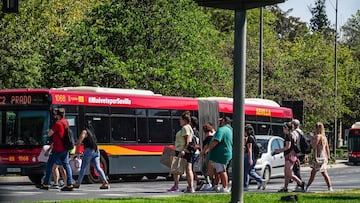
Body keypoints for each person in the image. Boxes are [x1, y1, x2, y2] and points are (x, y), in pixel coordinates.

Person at [40, 108, 74, 191]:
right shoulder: (66, 122)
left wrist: (48, 131)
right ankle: (69, 184)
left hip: (57, 149)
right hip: (65, 148)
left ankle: (46, 184)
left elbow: (49, 134)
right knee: (66, 165)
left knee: (49, 165)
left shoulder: (57, 124)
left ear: (57, 115)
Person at [201, 116, 233, 193]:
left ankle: (225, 187)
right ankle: (217, 186)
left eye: (221, 121)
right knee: (216, 171)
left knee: (221, 171)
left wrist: (208, 149)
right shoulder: (229, 130)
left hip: (221, 155)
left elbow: (216, 141)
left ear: (224, 121)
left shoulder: (221, 130)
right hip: (220, 154)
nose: (219, 122)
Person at [74, 123, 109, 189]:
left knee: (83, 167)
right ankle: (105, 182)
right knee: (98, 167)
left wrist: (77, 151)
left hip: (89, 150)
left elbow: (79, 142)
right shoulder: (91, 132)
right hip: (96, 150)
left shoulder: (84, 131)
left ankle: (78, 183)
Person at [168, 111, 195, 193]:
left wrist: (183, 150)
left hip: (181, 150)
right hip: (187, 151)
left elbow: (187, 140)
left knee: (176, 169)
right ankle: (190, 187)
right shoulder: (189, 127)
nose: (179, 121)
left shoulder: (185, 128)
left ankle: (176, 186)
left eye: (180, 119)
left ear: (184, 120)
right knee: (188, 169)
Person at [274, 122, 305, 192]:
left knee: (289, 173)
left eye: (284, 128)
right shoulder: (292, 134)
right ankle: (285, 188)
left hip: (290, 156)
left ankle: (301, 183)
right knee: (286, 173)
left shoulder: (288, 135)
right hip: (290, 155)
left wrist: (278, 150)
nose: (283, 130)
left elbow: (288, 146)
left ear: (286, 128)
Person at [305, 122, 333, 192]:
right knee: (323, 173)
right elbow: (327, 148)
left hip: (318, 157)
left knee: (313, 174)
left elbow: (314, 146)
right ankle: (330, 187)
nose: (314, 129)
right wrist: (328, 157)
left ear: (317, 128)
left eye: (315, 127)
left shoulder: (318, 136)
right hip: (323, 157)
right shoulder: (324, 137)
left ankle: (307, 187)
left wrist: (311, 139)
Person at [243, 124, 266, 191]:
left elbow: (249, 149)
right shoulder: (252, 137)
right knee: (250, 171)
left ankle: (245, 185)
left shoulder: (250, 138)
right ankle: (261, 181)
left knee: (245, 171)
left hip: (250, 156)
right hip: (253, 156)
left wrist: (250, 159)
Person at [190, 116, 204, 191]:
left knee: (190, 169)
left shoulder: (193, 132)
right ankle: (197, 182)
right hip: (196, 152)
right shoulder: (197, 132)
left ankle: (197, 182)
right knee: (190, 169)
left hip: (194, 152)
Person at [291, 119, 304, 191]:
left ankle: (301, 184)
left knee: (296, 170)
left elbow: (294, 142)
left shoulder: (295, 133)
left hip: (296, 153)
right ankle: (299, 184)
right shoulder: (301, 132)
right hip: (301, 153)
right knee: (297, 169)